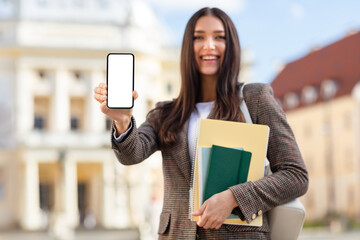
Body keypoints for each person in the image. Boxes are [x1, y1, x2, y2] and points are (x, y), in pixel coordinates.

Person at [93, 7, 308, 240]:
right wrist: (124, 121)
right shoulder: (166, 113)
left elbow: (295, 175)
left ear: (231, 46)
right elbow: (131, 154)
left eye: (219, 37)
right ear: (188, 47)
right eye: (199, 37)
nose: (208, 45)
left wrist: (234, 197)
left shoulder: (254, 99)